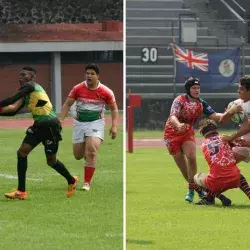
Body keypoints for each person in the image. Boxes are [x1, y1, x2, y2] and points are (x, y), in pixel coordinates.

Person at [0, 66, 78, 200]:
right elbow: (13, 109)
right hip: (39, 126)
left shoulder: (31, 86)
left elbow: (12, 100)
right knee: (22, 152)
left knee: (51, 161)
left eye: (24, 75)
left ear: (32, 77)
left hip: (51, 125)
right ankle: (21, 191)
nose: (21, 77)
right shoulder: (27, 95)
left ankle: (71, 180)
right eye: (20, 75)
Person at [164, 77, 223, 202]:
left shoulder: (201, 103)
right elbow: (173, 116)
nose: (197, 90)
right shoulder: (179, 100)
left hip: (187, 132)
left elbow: (215, 116)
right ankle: (196, 190)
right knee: (184, 169)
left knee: (191, 157)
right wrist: (178, 125)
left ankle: (191, 190)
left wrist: (230, 113)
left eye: (198, 88)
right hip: (171, 134)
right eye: (194, 88)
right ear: (188, 89)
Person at [60, 63, 118, 191]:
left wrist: (114, 126)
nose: (89, 76)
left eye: (92, 74)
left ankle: (87, 183)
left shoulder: (106, 91)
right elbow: (67, 104)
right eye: (87, 73)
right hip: (79, 123)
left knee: (91, 150)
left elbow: (113, 108)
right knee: (78, 155)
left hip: (96, 122)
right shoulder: (78, 88)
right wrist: (60, 121)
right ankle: (88, 155)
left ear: (98, 76)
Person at [194, 118, 250, 205]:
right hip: (234, 179)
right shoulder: (225, 138)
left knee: (196, 177)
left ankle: (216, 197)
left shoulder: (204, 144)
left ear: (203, 132)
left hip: (216, 182)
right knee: (237, 174)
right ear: (216, 129)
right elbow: (242, 144)